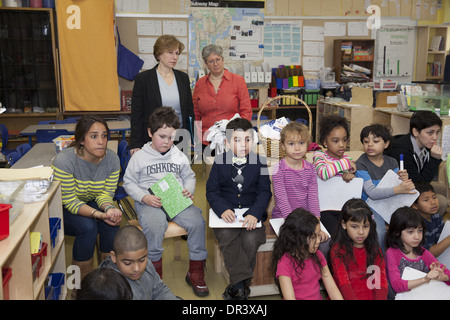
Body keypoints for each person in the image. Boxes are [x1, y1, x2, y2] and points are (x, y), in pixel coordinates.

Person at [123, 107, 208, 297]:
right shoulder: (139, 157)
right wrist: (144, 197)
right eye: (162, 136)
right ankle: (154, 277)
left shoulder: (177, 154)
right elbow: (128, 183)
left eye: (171, 138)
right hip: (149, 202)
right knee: (154, 227)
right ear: (150, 133)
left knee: (197, 222)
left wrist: (189, 189)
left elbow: (190, 176)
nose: (167, 142)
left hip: (176, 199)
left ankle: (195, 271)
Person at [52, 115, 122, 293]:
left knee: (111, 226)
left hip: (92, 200)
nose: (101, 142)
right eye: (94, 136)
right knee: (88, 227)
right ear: (81, 140)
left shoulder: (112, 160)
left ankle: (106, 280)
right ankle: (78, 286)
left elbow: (105, 194)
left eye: (104, 136)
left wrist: (109, 209)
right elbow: (70, 201)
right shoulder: (64, 161)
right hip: (66, 206)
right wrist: (98, 214)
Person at [206, 118, 272, 300]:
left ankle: (237, 288)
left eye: (248, 139)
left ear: (253, 140)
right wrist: (223, 209)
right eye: (237, 140)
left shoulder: (260, 162)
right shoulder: (219, 162)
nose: (243, 144)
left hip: (252, 215)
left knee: (251, 240)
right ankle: (242, 286)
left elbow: (265, 192)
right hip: (226, 217)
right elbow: (212, 191)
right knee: (227, 236)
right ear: (227, 142)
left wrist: (254, 213)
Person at [130, 34, 194, 155]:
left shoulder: (183, 78)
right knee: (156, 173)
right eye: (170, 52)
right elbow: (136, 114)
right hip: (154, 139)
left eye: (177, 53)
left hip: (179, 138)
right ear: (159, 54)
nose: (174, 57)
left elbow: (189, 111)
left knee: (178, 173)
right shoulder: (143, 79)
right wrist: (135, 143)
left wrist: (191, 135)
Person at [355, 124, 416, 252]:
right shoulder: (361, 164)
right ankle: (380, 260)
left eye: (375, 141)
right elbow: (372, 193)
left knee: (411, 222)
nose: (370, 144)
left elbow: (397, 185)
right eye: (366, 141)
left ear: (386, 144)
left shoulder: (392, 162)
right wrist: (399, 189)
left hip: (390, 202)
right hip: (370, 205)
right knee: (379, 231)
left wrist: (403, 179)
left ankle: (405, 257)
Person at [271, 122, 329, 245]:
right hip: (284, 219)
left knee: (323, 243)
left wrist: (317, 225)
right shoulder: (278, 169)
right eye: (291, 144)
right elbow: (282, 201)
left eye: (301, 143)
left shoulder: (310, 169)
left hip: (306, 220)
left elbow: (313, 199)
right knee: (296, 243)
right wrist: (299, 226)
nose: (297, 148)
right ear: (283, 146)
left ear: (307, 144)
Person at [271, 208, 343, 300]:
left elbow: (332, 289)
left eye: (318, 235)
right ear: (297, 239)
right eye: (313, 237)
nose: (318, 241)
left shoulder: (318, 255)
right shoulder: (284, 264)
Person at [193, 44, 252, 151]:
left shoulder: (238, 81)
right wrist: (197, 135)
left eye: (218, 59)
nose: (215, 64)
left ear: (223, 60)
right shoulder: (200, 84)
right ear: (206, 64)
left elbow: (246, 111)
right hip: (206, 140)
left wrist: (239, 133)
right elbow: (196, 113)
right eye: (211, 61)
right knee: (210, 167)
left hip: (231, 139)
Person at [388, 110, 447, 216]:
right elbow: (419, 185)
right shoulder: (402, 150)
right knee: (441, 202)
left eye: (437, 132)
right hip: (399, 191)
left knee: (443, 189)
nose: (435, 137)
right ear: (415, 132)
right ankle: (422, 228)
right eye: (430, 132)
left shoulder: (424, 143)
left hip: (415, 183)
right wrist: (434, 159)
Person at [329, 199, 388, 300]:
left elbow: (379, 282)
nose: (361, 232)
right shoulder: (338, 250)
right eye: (354, 227)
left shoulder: (374, 248)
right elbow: (343, 283)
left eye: (365, 226)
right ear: (344, 224)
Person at [385, 206, 450, 297]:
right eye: (410, 232)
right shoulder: (392, 253)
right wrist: (424, 279)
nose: (417, 236)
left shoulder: (423, 252)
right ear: (397, 232)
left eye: (419, 230)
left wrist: (445, 277)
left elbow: (445, 271)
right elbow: (396, 286)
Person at [100, 225, 178, 300]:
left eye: (142, 260)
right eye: (128, 263)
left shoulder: (148, 264)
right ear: (114, 257)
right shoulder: (109, 287)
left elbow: (159, 289)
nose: (137, 269)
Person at [313, 115, 356, 235]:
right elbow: (323, 173)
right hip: (324, 209)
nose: (342, 145)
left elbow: (351, 184)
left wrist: (350, 177)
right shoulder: (319, 155)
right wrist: (345, 164)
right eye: (335, 141)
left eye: (344, 139)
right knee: (337, 234)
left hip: (343, 207)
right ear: (325, 142)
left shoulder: (348, 159)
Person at [412, 182, 450, 258]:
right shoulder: (414, 224)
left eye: (434, 197)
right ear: (415, 205)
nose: (433, 202)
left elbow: (440, 242)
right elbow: (427, 254)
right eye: (426, 200)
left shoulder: (436, 217)